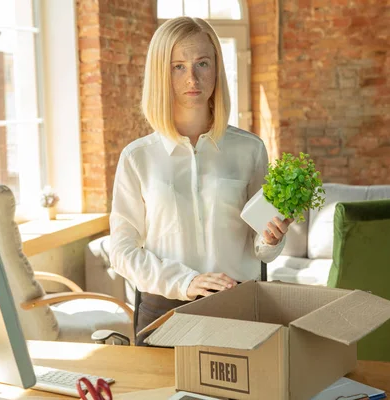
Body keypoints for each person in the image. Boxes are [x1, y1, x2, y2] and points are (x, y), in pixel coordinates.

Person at [109, 16, 292, 346]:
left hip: (240, 310)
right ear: (161, 74)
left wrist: (273, 237)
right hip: (164, 315)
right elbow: (122, 252)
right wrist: (186, 282)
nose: (192, 77)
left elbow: (262, 250)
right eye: (178, 66)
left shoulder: (250, 150)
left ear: (217, 68)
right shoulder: (137, 157)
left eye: (202, 63)